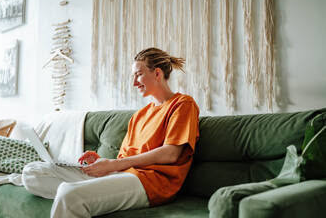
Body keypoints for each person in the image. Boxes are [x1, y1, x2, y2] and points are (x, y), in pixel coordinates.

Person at [22, 47, 200, 217]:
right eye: (133, 76)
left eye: (138, 74)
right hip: (121, 175)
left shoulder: (183, 104)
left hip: (150, 182)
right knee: (33, 173)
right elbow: (122, 159)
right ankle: (92, 197)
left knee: (68, 193)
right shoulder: (140, 115)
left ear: (157, 73)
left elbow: (170, 154)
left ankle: (81, 196)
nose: (134, 82)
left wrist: (112, 165)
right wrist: (101, 163)